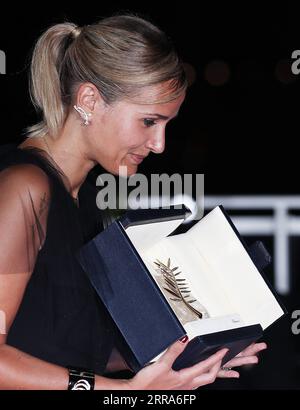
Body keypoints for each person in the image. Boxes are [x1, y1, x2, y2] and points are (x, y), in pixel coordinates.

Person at [0, 14, 266, 390]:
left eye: (166, 125)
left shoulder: (87, 199)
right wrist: (125, 392)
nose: (160, 144)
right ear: (89, 100)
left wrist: (182, 359)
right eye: (148, 122)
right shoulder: (23, 188)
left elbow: (66, 348)